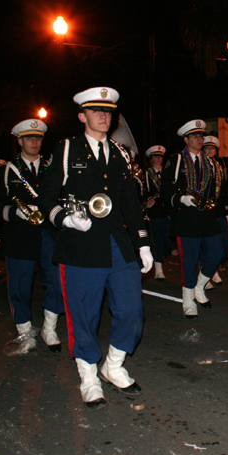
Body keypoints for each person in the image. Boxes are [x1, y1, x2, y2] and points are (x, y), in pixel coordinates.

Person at [39, 86, 153, 410]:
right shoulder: (66, 150)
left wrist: (143, 244)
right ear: (82, 116)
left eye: (108, 111)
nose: (103, 116)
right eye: (96, 111)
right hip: (80, 245)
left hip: (118, 244)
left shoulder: (119, 152)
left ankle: (113, 366)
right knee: (83, 316)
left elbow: (132, 203)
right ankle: (89, 376)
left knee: (132, 311)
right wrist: (64, 219)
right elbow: (46, 197)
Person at [0, 119, 64, 352]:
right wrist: (15, 213)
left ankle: (49, 328)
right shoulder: (7, 170)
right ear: (20, 141)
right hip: (20, 235)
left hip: (48, 234)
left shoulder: (53, 167)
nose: (35, 142)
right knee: (20, 286)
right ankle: (24, 330)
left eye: (38, 138)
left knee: (57, 282)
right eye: (30, 138)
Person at [160, 120, 222, 319]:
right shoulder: (177, 159)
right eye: (194, 136)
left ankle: (200, 286)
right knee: (189, 261)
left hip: (207, 217)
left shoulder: (210, 162)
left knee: (216, 254)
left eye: (201, 136)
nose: (198, 139)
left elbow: (215, 191)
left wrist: (221, 212)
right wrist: (180, 199)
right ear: (186, 139)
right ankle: (188, 300)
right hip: (185, 218)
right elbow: (165, 190)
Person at [202, 135, 228, 289]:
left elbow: (225, 189)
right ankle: (206, 275)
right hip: (205, 211)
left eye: (212, 148)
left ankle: (214, 269)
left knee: (225, 244)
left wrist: (227, 211)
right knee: (208, 246)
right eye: (206, 148)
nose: (209, 151)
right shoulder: (199, 166)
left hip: (219, 211)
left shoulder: (220, 166)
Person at [143, 145, 171, 279]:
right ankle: (159, 269)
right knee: (157, 240)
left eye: (160, 156)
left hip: (167, 211)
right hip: (154, 212)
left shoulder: (167, 172)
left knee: (167, 241)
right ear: (151, 159)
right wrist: (146, 203)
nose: (158, 159)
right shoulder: (147, 174)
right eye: (155, 156)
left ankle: (161, 258)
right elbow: (142, 193)